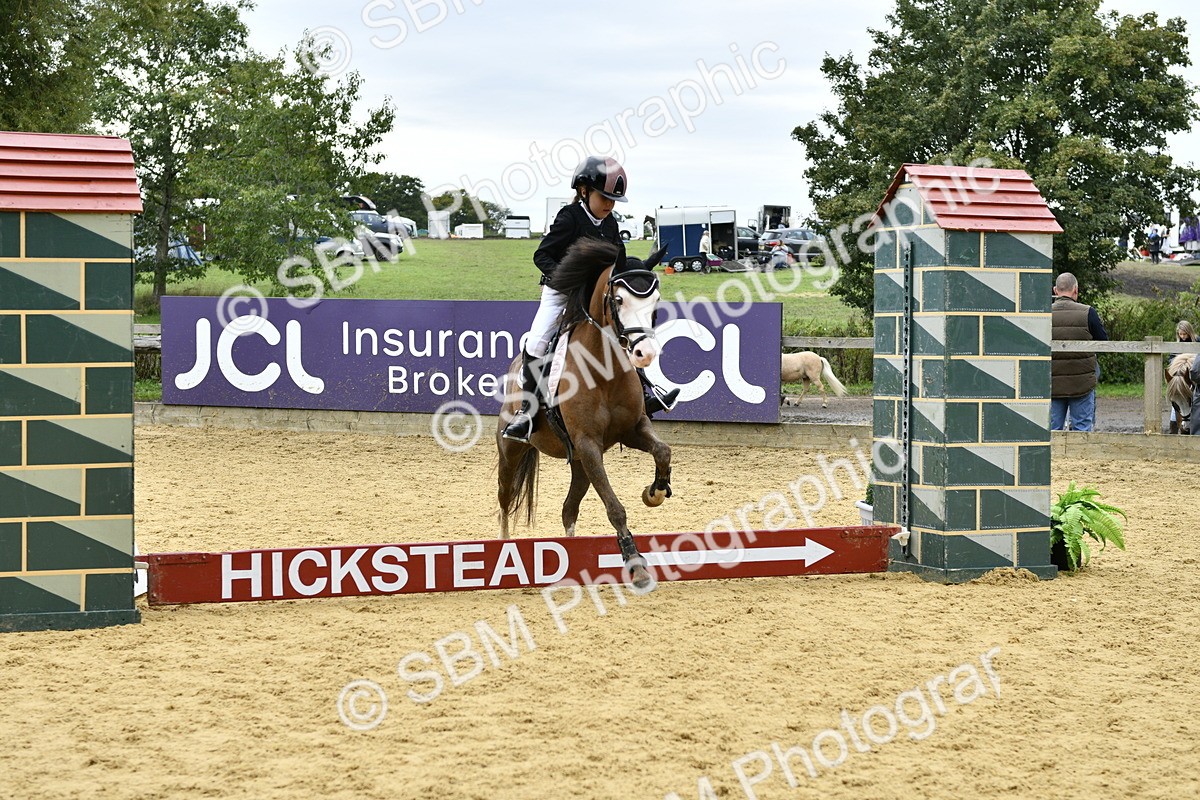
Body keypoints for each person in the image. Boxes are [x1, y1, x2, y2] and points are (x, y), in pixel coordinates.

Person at [501, 156, 679, 443]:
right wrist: (566, 280)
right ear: (584, 191)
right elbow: (541, 256)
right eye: (604, 197)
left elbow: (619, 263)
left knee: (629, 333)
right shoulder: (569, 217)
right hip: (561, 292)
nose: (609, 205)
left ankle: (647, 391)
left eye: (613, 200)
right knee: (536, 341)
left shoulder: (610, 223)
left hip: (597, 297)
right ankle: (527, 412)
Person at [1051, 272, 1108, 431]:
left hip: (1052, 383)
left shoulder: (1044, 314)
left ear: (1055, 290)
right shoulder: (1088, 312)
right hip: (1082, 384)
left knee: (1052, 430)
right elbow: (1104, 343)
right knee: (1082, 430)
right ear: (1075, 290)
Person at [1172, 320, 1196, 433]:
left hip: (1193, 378)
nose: (1183, 337)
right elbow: (1171, 359)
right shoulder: (1176, 345)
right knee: (1176, 398)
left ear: (1189, 332)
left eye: (1184, 334)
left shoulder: (1197, 341)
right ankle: (1174, 424)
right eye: (1180, 334)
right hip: (1181, 379)